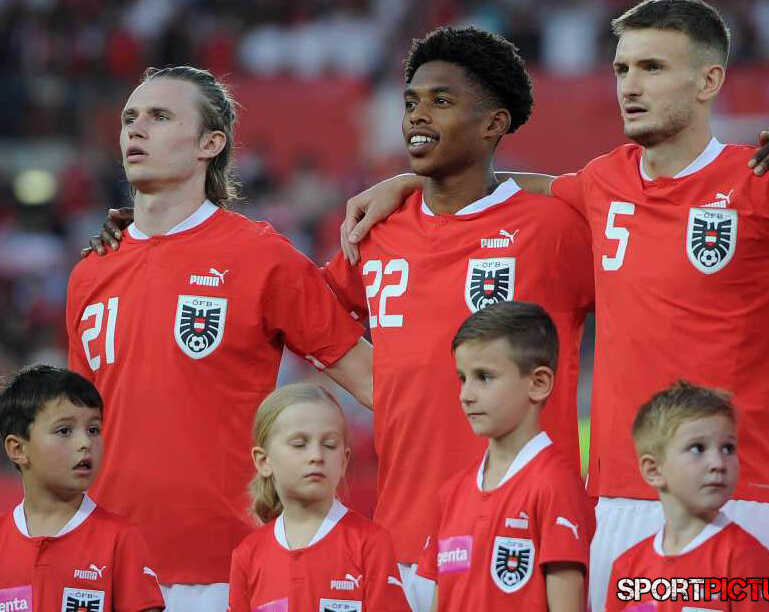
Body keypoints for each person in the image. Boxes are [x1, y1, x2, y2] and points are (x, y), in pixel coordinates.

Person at [84, 30, 594, 612]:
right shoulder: (375, 234)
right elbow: (297, 306)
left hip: (519, 526)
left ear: (494, 123)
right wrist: (146, 244)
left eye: (441, 101)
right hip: (402, 541)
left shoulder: (554, 230)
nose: (418, 114)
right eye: (411, 101)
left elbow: (639, 273)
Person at [338, 0, 769, 610]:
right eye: (622, 69)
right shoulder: (605, 180)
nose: (630, 86)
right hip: (616, 506)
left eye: (653, 68)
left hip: (738, 496)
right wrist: (409, 182)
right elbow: (519, 185)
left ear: (709, 80)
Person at [66, 66, 373, 612]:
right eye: (130, 117)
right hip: (106, 569)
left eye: (160, 116)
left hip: (225, 572)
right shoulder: (90, 271)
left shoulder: (262, 257)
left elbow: (376, 383)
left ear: (211, 143)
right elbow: (76, 429)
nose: (136, 128)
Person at [417, 302, 594, 611]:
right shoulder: (452, 493)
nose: (466, 395)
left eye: (484, 377)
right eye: (462, 378)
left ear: (538, 383)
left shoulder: (555, 486)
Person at [227, 383, 409, 612]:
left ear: (344, 461)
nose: (316, 456)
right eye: (299, 444)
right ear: (263, 461)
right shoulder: (247, 555)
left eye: (329, 445)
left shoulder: (370, 543)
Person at [0, 365, 164, 612]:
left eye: (93, 429)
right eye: (65, 431)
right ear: (18, 449)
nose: (85, 442)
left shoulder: (120, 539)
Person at [606, 381, 769, 611]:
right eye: (698, 448)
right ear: (653, 470)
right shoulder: (627, 567)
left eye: (728, 448)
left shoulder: (745, 557)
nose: (718, 463)